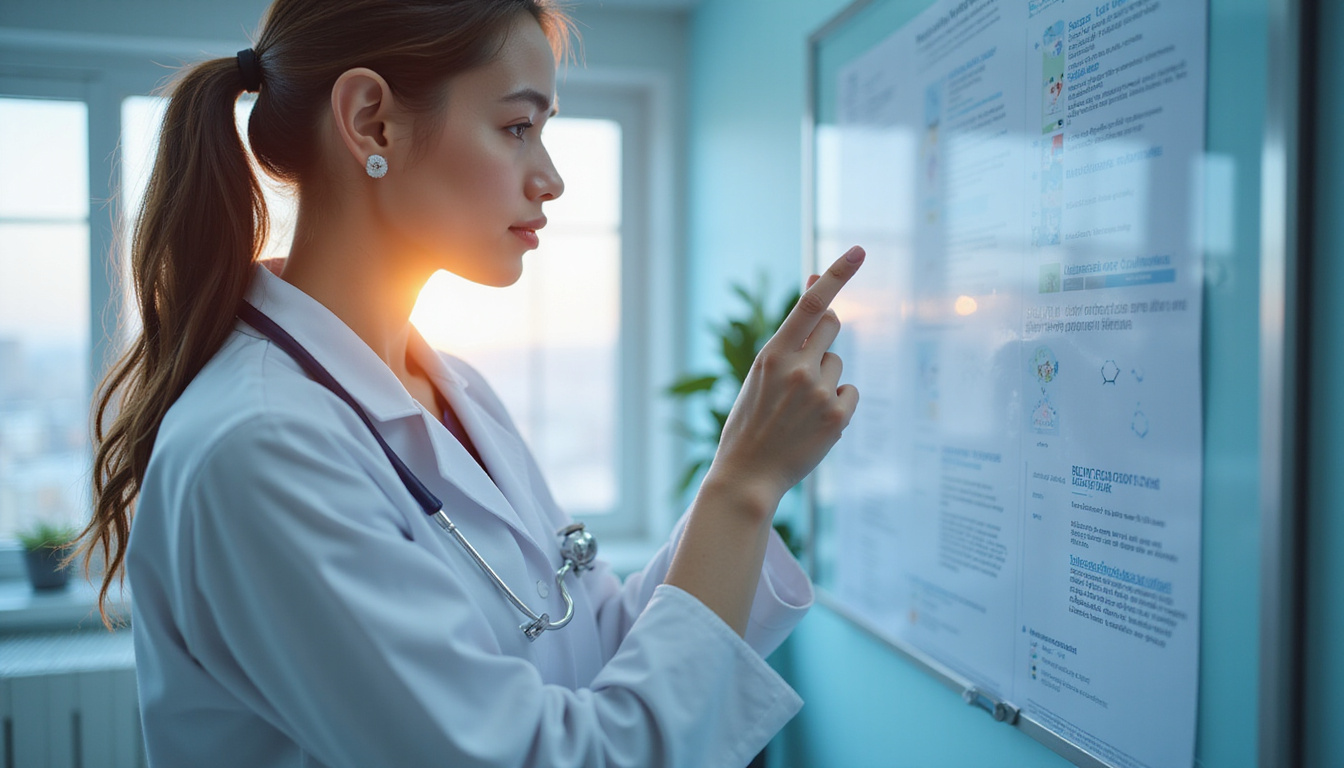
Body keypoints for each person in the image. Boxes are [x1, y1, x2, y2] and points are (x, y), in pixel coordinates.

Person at [75, 1, 864, 765]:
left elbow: (592, 644)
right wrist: (741, 486)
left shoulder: (451, 389)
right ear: (370, 122)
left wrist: (746, 469)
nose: (550, 179)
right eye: (517, 127)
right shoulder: (261, 446)